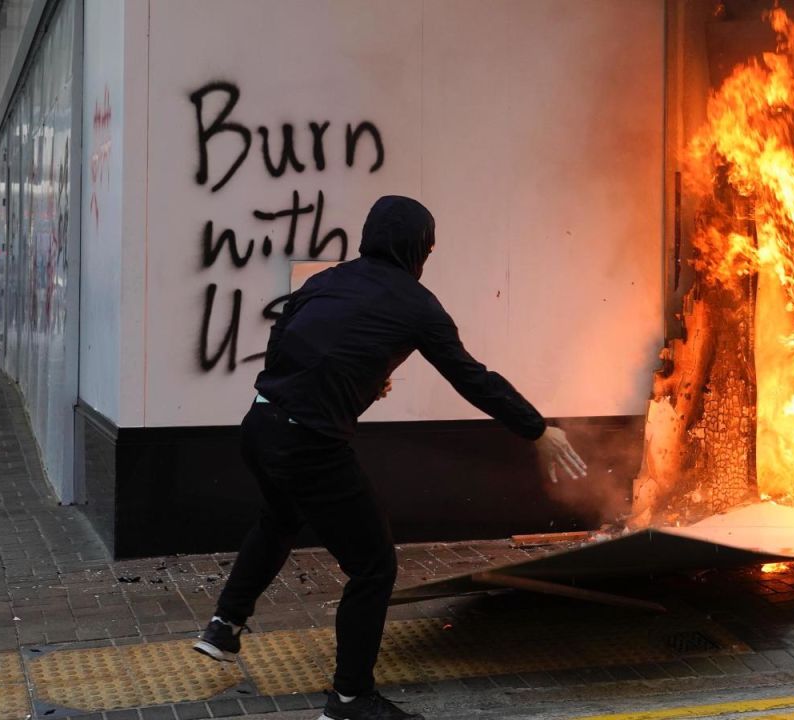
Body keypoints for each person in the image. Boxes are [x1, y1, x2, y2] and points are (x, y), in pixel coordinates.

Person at [193, 196, 588, 720]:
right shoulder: (417, 304)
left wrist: (339, 380)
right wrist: (536, 429)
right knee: (374, 565)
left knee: (280, 518)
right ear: (420, 249)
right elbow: (471, 378)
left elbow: (285, 335)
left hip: (260, 424)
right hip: (309, 443)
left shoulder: (327, 279)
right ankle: (351, 698)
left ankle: (224, 625)